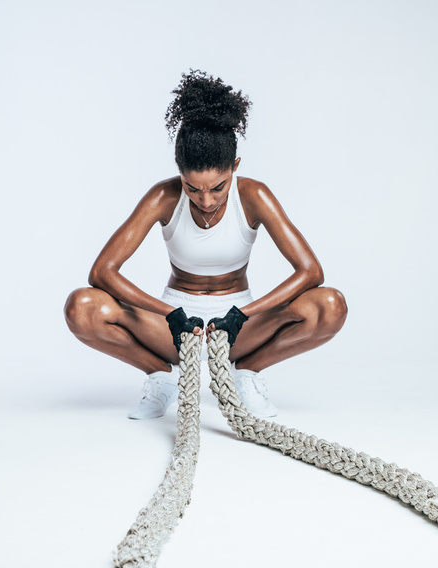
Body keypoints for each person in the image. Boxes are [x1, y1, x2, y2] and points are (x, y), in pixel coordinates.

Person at [64, 69, 347, 419]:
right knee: (83, 306)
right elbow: (102, 271)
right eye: (193, 188)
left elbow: (310, 272)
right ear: (179, 173)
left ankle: (245, 373)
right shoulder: (163, 196)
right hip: (174, 325)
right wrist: (170, 314)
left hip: (240, 324)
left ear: (235, 167)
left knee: (330, 305)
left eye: (218, 187)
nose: (207, 200)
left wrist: (244, 314)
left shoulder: (255, 195)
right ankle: (162, 376)